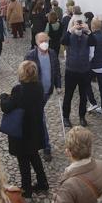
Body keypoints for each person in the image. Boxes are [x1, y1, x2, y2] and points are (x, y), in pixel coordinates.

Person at [0, 60, 49, 198]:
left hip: (21, 130)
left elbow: (6, 106)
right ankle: (42, 182)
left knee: (23, 160)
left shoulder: (19, 90)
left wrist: (3, 96)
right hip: (35, 128)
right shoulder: (39, 86)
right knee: (34, 155)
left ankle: (26, 188)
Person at [25, 32, 62, 161]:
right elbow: (25, 75)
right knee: (40, 119)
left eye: (46, 40)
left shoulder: (52, 53)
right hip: (36, 94)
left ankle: (36, 141)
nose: (44, 43)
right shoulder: (31, 55)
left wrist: (58, 85)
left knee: (37, 118)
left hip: (48, 91)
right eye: (41, 41)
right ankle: (46, 147)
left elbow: (56, 70)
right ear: (36, 43)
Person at [62, 18, 96, 128]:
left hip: (84, 71)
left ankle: (82, 117)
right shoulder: (70, 36)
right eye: (77, 24)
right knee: (68, 95)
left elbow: (94, 42)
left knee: (83, 96)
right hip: (71, 70)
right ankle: (66, 117)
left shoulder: (87, 37)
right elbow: (63, 41)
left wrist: (88, 31)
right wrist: (71, 29)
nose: (79, 26)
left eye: (80, 24)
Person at [86, 18, 102, 115]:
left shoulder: (92, 37)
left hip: (93, 66)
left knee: (86, 84)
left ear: (92, 27)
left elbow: (91, 54)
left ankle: (93, 102)